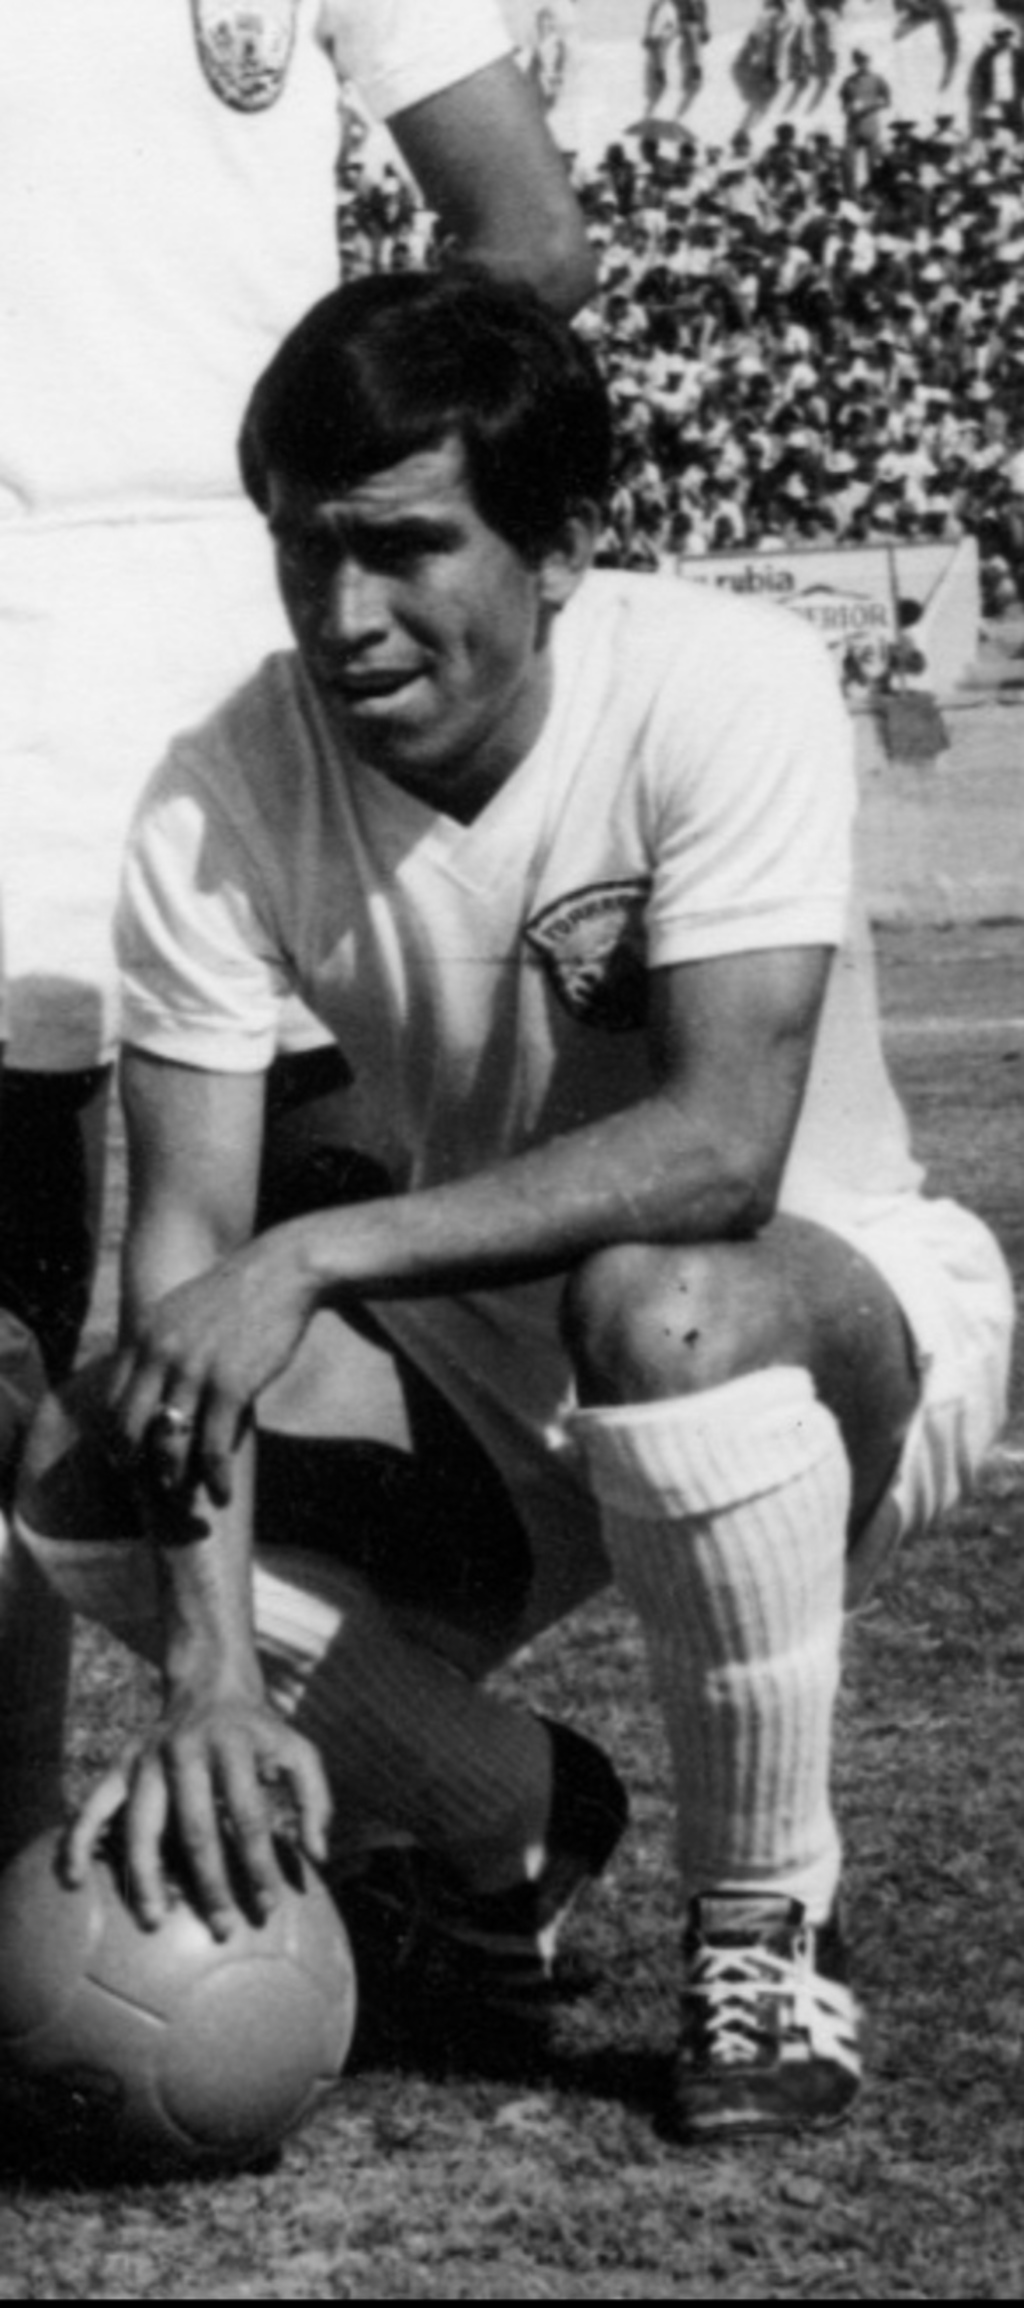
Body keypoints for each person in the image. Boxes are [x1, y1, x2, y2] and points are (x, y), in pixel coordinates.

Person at [6, 273, 1013, 2145]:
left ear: (560, 547)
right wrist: (210, 1674)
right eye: (302, 548)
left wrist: (313, 1251)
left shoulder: (721, 682)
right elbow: (184, 1252)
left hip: (836, 1313)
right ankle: (510, 1818)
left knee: (660, 1300)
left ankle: (764, 1916)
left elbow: (721, 1147)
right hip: (495, 1355)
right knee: (82, 1460)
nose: (341, 615)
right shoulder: (217, 794)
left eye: (402, 548)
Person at [0, 0, 595, 1386]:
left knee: (306, 1317)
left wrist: (341, 444)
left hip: (270, 598)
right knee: (297, 1330)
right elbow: (536, 241)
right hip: (251, 583)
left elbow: (534, 244)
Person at [838, 50, 892, 196]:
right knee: (847, 164)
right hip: (853, 128)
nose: (862, 63)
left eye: (864, 59)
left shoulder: (877, 79)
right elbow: (844, 104)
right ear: (855, 62)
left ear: (869, 60)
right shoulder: (848, 81)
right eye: (859, 60)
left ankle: (873, 196)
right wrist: (849, 108)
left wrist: (869, 105)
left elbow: (887, 101)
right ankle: (851, 196)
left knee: (873, 166)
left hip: (870, 127)